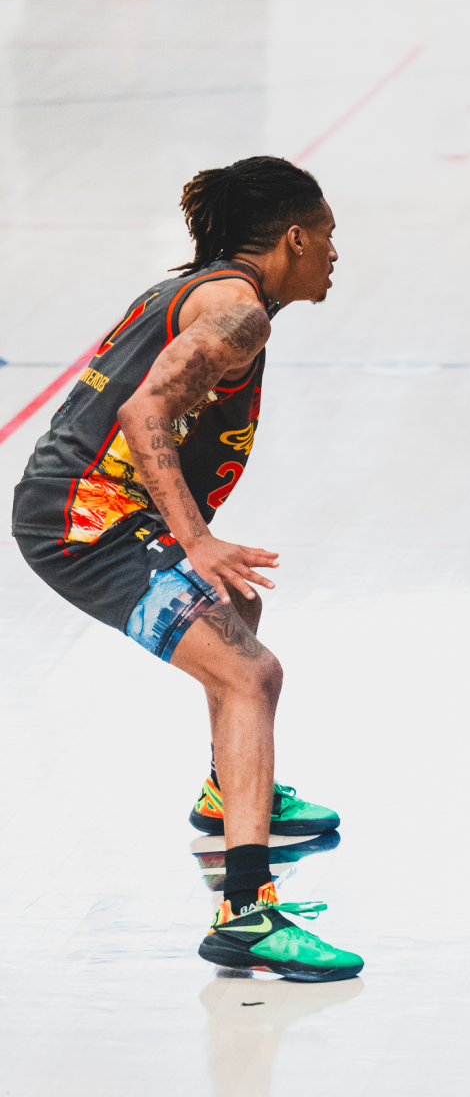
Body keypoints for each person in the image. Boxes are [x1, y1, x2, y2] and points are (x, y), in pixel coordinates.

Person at [12, 156, 364, 977]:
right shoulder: (241, 313)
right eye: (330, 240)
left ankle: (226, 793)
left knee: (240, 618)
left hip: (94, 506)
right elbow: (144, 412)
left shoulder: (208, 291)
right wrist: (196, 540)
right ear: (294, 239)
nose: (335, 256)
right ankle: (246, 913)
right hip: (84, 522)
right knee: (254, 674)